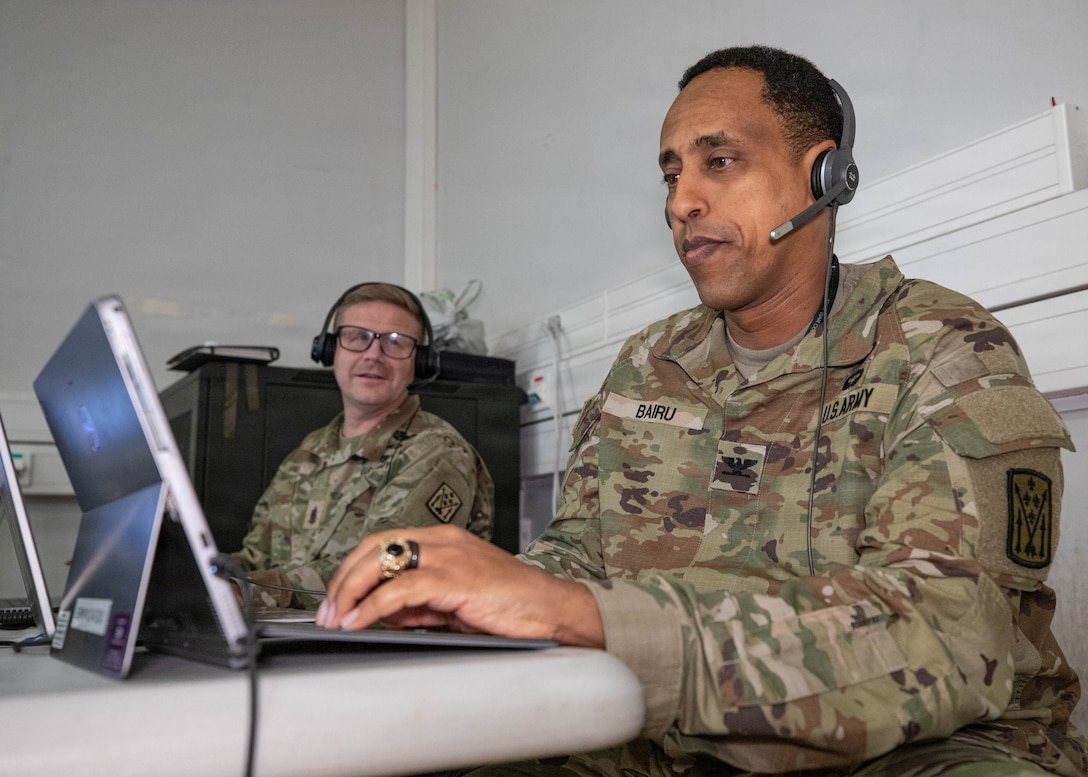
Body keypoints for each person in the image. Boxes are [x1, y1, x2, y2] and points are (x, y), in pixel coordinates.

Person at [317, 46, 1087, 776]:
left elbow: (951, 629)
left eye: (720, 161)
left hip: (913, 747)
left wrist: (583, 614)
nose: (683, 202)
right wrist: (477, 608)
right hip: (668, 738)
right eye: (671, 175)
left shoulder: (941, 343)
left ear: (823, 175)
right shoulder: (646, 363)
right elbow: (578, 554)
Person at [233, 282, 494, 609]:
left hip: (387, 650)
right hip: (297, 639)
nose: (374, 354)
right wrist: (209, 577)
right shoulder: (308, 452)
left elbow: (389, 564)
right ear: (330, 351)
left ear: (419, 363)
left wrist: (253, 593)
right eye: (357, 337)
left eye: (395, 343)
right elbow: (257, 557)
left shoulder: (437, 450)